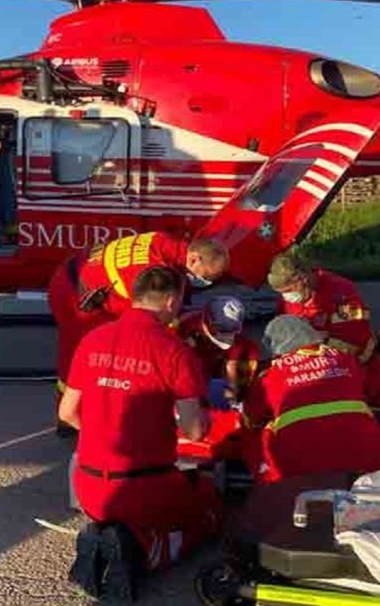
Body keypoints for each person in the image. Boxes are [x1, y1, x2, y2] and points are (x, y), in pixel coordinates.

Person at [58, 265, 221, 601]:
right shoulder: (174, 351)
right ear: (172, 301)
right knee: (207, 514)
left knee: (129, 503)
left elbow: (67, 413)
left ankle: (106, 532)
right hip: (144, 488)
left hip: (87, 485)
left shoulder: (92, 339)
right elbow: (193, 428)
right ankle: (146, 548)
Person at [48, 232, 230, 431]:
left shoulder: (165, 243)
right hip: (74, 294)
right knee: (79, 358)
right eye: (205, 277)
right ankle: (71, 421)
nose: (204, 283)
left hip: (85, 276)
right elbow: (157, 327)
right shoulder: (149, 274)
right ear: (194, 258)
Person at [242, 315, 380, 483]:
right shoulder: (345, 359)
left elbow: (253, 415)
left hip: (299, 461)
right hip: (367, 450)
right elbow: (369, 389)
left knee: (257, 441)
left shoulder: (270, 375)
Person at [266, 253, 380, 408]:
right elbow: (283, 333)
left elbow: (353, 342)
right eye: (281, 293)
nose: (286, 297)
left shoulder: (341, 292)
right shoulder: (290, 297)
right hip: (313, 374)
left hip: (355, 375)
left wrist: (313, 341)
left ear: (302, 278)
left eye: (288, 290)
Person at [171, 295, 263, 407]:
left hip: (216, 360)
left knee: (249, 360)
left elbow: (231, 363)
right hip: (193, 359)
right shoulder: (184, 325)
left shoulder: (235, 339)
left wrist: (233, 389)